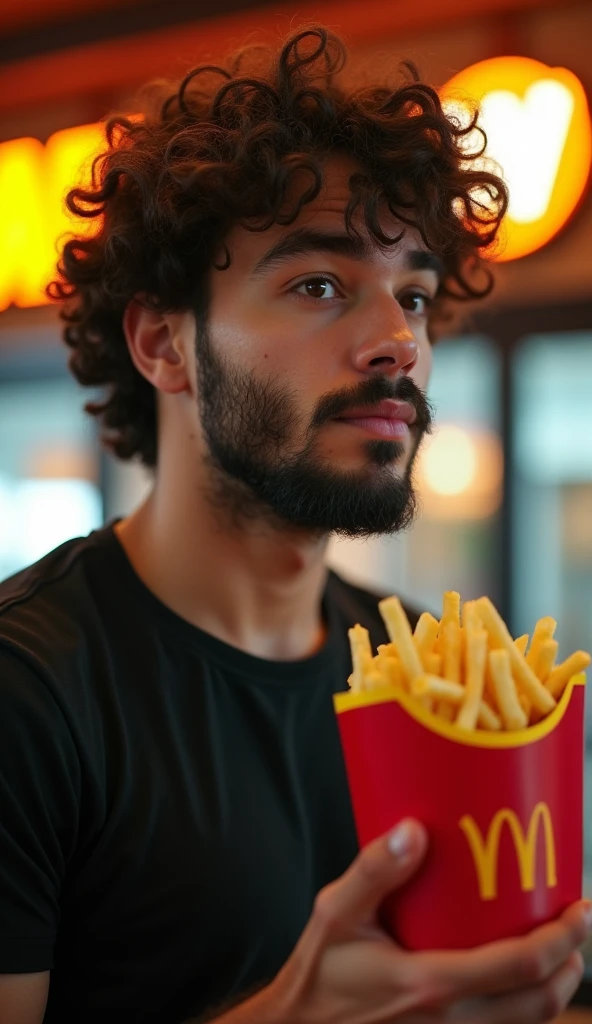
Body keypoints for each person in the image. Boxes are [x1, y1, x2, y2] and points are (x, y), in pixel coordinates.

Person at [0, 23, 589, 1024]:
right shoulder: (30, 690)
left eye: (412, 292)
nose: (396, 340)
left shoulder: (423, 676)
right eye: (317, 285)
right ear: (163, 345)